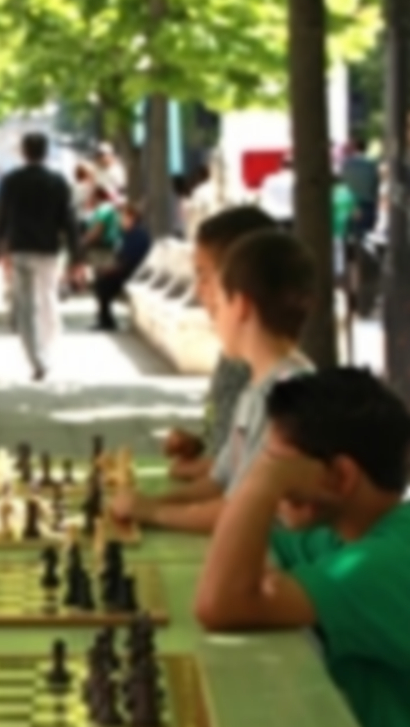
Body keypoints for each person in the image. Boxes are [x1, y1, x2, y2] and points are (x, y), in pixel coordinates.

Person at [142, 368, 410, 727]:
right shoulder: (345, 533)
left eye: (280, 465)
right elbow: (253, 560)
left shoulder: (387, 560)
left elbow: (218, 603)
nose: (266, 477)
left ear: (340, 477)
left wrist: (262, 483)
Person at [112, 229, 316, 534]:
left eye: (219, 303)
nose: (212, 315)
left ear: (243, 306)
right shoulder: (256, 386)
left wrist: (153, 511)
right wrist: (152, 501)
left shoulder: (285, 393)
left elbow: (238, 512)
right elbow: (221, 482)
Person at [164, 207, 277, 482]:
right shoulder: (234, 358)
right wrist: (200, 447)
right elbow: (232, 450)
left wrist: (151, 508)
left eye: (204, 276)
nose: (197, 291)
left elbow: (239, 482)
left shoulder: (264, 380)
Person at [0, 132, 80, 381]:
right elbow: (69, 221)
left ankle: (36, 357)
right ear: (46, 151)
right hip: (48, 249)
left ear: (23, 151)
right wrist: (77, 254)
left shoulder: (11, 181)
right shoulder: (57, 182)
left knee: (26, 306)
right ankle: (47, 350)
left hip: (19, 248)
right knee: (48, 299)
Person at [92, 200, 151, 331]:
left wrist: (111, 270)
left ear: (131, 218)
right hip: (127, 270)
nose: (120, 220)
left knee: (103, 282)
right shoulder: (128, 234)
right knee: (101, 277)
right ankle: (105, 318)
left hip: (133, 273)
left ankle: (106, 320)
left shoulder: (138, 235)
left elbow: (129, 261)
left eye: (123, 217)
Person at [342, 135, 379, 238]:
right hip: (369, 204)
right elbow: (375, 183)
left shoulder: (346, 163)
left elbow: (345, 182)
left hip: (351, 204)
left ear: (353, 148)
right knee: (366, 237)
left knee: (352, 237)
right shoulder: (372, 163)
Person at [259, 154, 295, 229]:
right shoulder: (297, 181)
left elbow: (265, 198)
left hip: (274, 216)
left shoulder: (269, 179)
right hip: (292, 216)